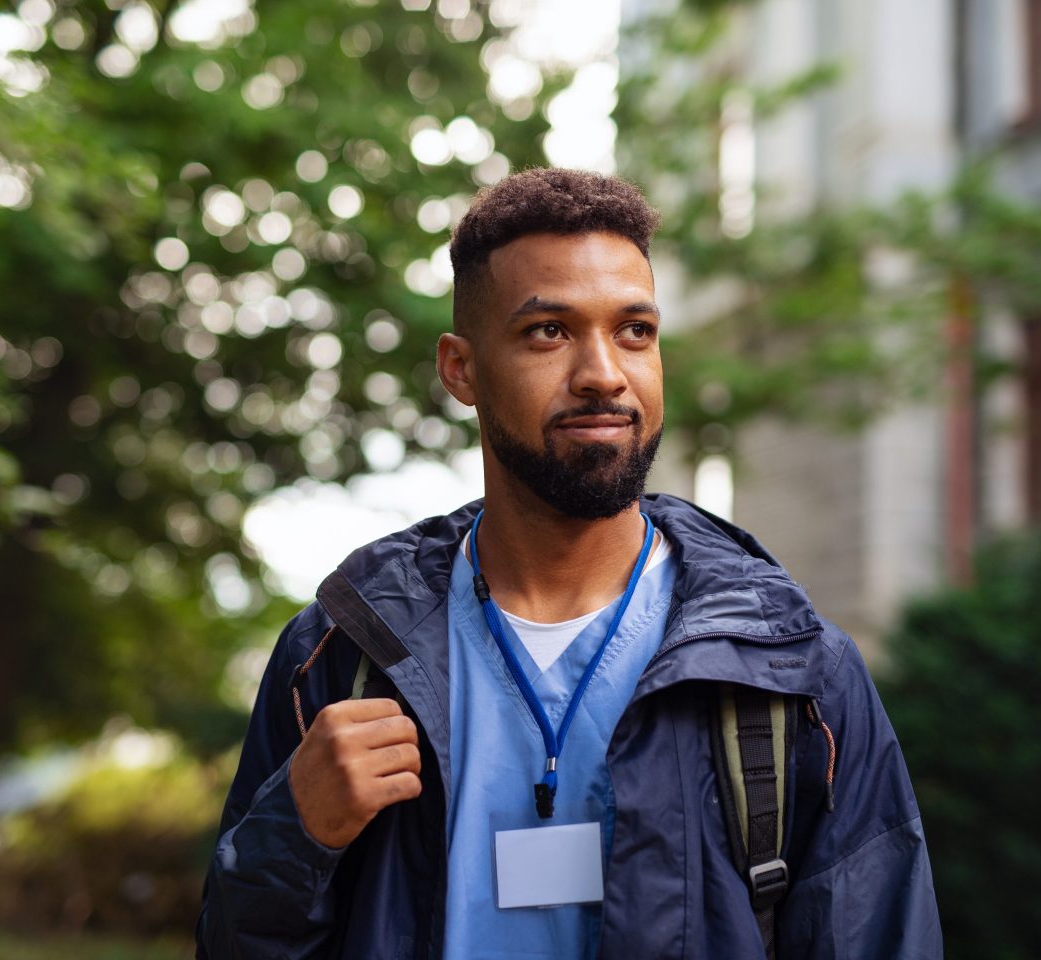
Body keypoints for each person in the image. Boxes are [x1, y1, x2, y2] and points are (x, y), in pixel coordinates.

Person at [194, 168, 942, 959]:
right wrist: (294, 836)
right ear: (461, 369)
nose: (603, 374)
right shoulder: (341, 656)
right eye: (548, 331)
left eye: (634, 332)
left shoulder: (792, 675)